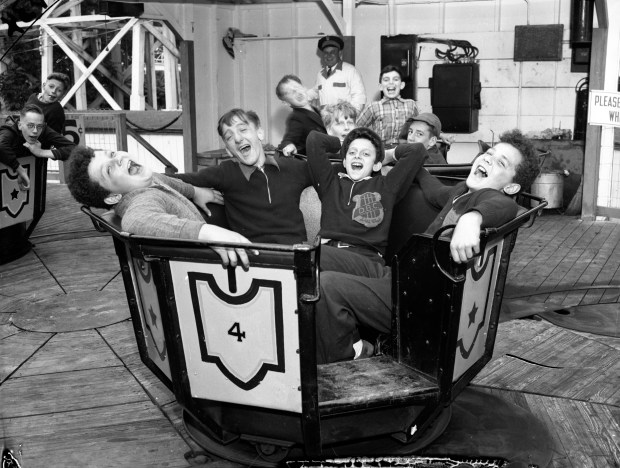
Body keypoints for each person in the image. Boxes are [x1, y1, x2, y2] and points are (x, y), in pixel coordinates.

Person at [314, 129, 541, 364]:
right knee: (316, 257)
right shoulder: (460, 192)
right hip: (399, 274)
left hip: (415, 296)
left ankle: (351, 357)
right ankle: (345, 340)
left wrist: (472, 219)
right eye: (489, 153)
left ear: (512, 187)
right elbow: (431, 188)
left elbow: (504, 206)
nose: (487, 159)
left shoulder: (492, 200)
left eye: (500, 162)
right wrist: (393, 159)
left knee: (327, 287)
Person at [66, 146, 251, 269]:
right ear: (114, 197)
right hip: (197, 267)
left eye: (112, 154)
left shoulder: (147, 180)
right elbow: (137, 220)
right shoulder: (140, 201)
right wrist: (209, 233)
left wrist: (196, 192)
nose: (118, 160)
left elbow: (169, 181)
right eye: (108, 169)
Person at [173, 109, 313, 245]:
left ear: (259, 133)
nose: (238, 138)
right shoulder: (226, 172)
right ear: (228, 150)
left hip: (299, 256)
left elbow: (330, 174)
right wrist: (195, 191)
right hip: (255, 259)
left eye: (243, 129)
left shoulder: (293, 167)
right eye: (229, 137)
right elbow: (165, 180)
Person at [306, 127, 427, 269]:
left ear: (376, 165)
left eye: (365, 154)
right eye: (352, 152)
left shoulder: (386, 186)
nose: (357, 156)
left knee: (307, 256)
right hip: (327, 255)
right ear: (344, 162)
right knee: (303, 259)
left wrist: (386, 154)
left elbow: (417, 150)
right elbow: (314, 139)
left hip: (365, 260)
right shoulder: (329, 183)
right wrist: (345, 143)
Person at [0, 104, 75, 191]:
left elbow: (74, 149)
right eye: (30, 126)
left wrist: (41, 152)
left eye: (39, 126)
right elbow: (1, 146)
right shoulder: (9, 131)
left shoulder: (44, 130)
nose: (35, 131)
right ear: (20, 125)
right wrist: (20, 169)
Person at [356, 65, 419, 147]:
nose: (391, 82)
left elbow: (421, 127)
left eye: (395, 79)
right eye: (386, 80)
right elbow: (357, 128)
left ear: (402, 85)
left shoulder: (411, 105)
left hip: (405, 150)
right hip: (382, 152)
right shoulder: (373, 107)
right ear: (380, 86)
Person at [307, 35, 366, 113]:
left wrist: (349, 118)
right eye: (326, 53)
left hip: (343, 120)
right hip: (325, 120)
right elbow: (315, 92)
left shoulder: (351, 71)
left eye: (333, 52)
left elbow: (359, 99)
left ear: (340, 53)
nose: (329, 56)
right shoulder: (320, 74)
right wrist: (297, 95)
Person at [276, 74, 326, 157]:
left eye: (297, 87)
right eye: (291, 92)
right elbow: (288, 139)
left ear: (304, 87)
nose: (297, 93)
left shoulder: (316, 110)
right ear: (286, 103)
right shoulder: (296, 118)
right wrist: (289, 145)